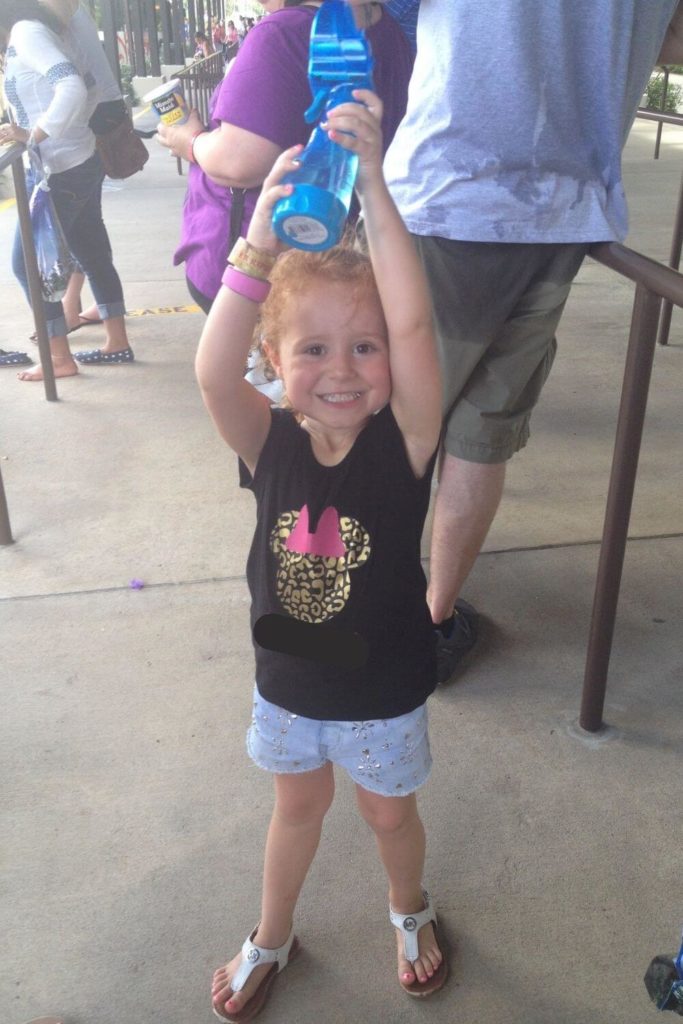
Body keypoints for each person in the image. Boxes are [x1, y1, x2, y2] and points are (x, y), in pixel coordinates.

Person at [196, 91, 445, 1021]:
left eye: (364, 346)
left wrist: (374, 184)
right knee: (293, 811)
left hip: (383, 693)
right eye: (313, 348)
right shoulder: (270, 443)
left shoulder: (407, 439)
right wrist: (257, 237)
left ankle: (407, 910)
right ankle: (271, 934)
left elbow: (417, 328)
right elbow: (214, 372)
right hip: (288, 686)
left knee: (388, 816)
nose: (342, 369)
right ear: (275, 356)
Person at [382, 0, 683, 683]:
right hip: (565, 210)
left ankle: (363, 609)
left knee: (391, 421)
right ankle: (431, 619)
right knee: (479, 431)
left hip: (444, 189)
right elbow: (671, 42)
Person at [157, 0, 412, 313]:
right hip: (336, 260)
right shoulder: (384, 28)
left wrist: (189, 141)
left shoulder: (282, 33)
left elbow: (238, 162)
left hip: (263, 266)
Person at [0, 0, 133, 380]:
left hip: (58, 170)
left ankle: (59, 357)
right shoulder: (45, 31)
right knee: (90, 251)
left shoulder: (26, 34)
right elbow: (89, 86)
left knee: (28, 265)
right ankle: (117, 341)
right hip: (78, 160)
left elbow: (72, 86)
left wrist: (36, 134)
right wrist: (71, 133)